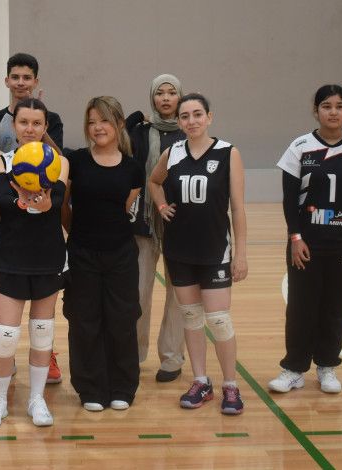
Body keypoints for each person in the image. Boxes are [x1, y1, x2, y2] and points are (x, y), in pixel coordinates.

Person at [148, 93, 248, 415]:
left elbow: (238, 207)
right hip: (179, 250)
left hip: (215, 249)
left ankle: (230, 386)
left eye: (197, 114)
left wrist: (241, 253)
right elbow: (153, 181)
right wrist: (162, 205)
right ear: (179, 122)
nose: (192, 121)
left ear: (209, 116)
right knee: (191, 318)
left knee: (219, 320)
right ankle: (201, 381)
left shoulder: (228, 152)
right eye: (185, 116)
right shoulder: (172, 152)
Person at [268, 85, 342, 395]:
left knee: (336, 308)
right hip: (307, 243)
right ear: (316, 110)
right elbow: (288, 199)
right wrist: (295, 237)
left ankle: (327, 366)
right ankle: (294, 368)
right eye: (326, 106)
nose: (332, 112)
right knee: (301, 308)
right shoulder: (300, 147)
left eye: (339, 106)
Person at [0, 98, 69, 428]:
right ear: (13, 126)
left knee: (42, 333)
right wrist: (27, 200)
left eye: (36, 123)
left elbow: (55, 201)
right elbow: (7, 200)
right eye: (23, 123)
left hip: (47, 257)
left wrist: (45, 205)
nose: (30, 129)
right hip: (10, 257)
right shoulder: (0, 161)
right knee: (5, 334)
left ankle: (36, 399)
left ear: (45, 127)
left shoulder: (59, 162)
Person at [62, 96, 144, 411]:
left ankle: (123, 386)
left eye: (105, 120)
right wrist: (78, 236)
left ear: (120, 124)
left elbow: (123, 210)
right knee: (84, 321)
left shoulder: (133, 168)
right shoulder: (76, 161)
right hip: (82, 253)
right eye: (92, 121)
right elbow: (64, 208)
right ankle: (90, 388)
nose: (97, 127)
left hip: (121, 254)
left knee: (122, 320)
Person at [128, 74, 186, 382]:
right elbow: (120, 144)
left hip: (179, 224)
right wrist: (135, 117)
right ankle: (134, 355)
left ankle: (172, 358)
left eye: (172, 92)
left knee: (178, 295)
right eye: (160, 93)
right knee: (139, 293)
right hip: (143, 224)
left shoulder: (188, 131)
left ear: (180, 97)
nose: (165, 98)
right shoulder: (139, 131)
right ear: (152, 98)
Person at [0, 52, 63, 154]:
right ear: (7, 81)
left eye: (27, 78)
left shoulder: (52, 118)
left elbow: (59, 157)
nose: (20, 83)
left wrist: (39, 120)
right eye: (15, 77)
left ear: (35, 82)